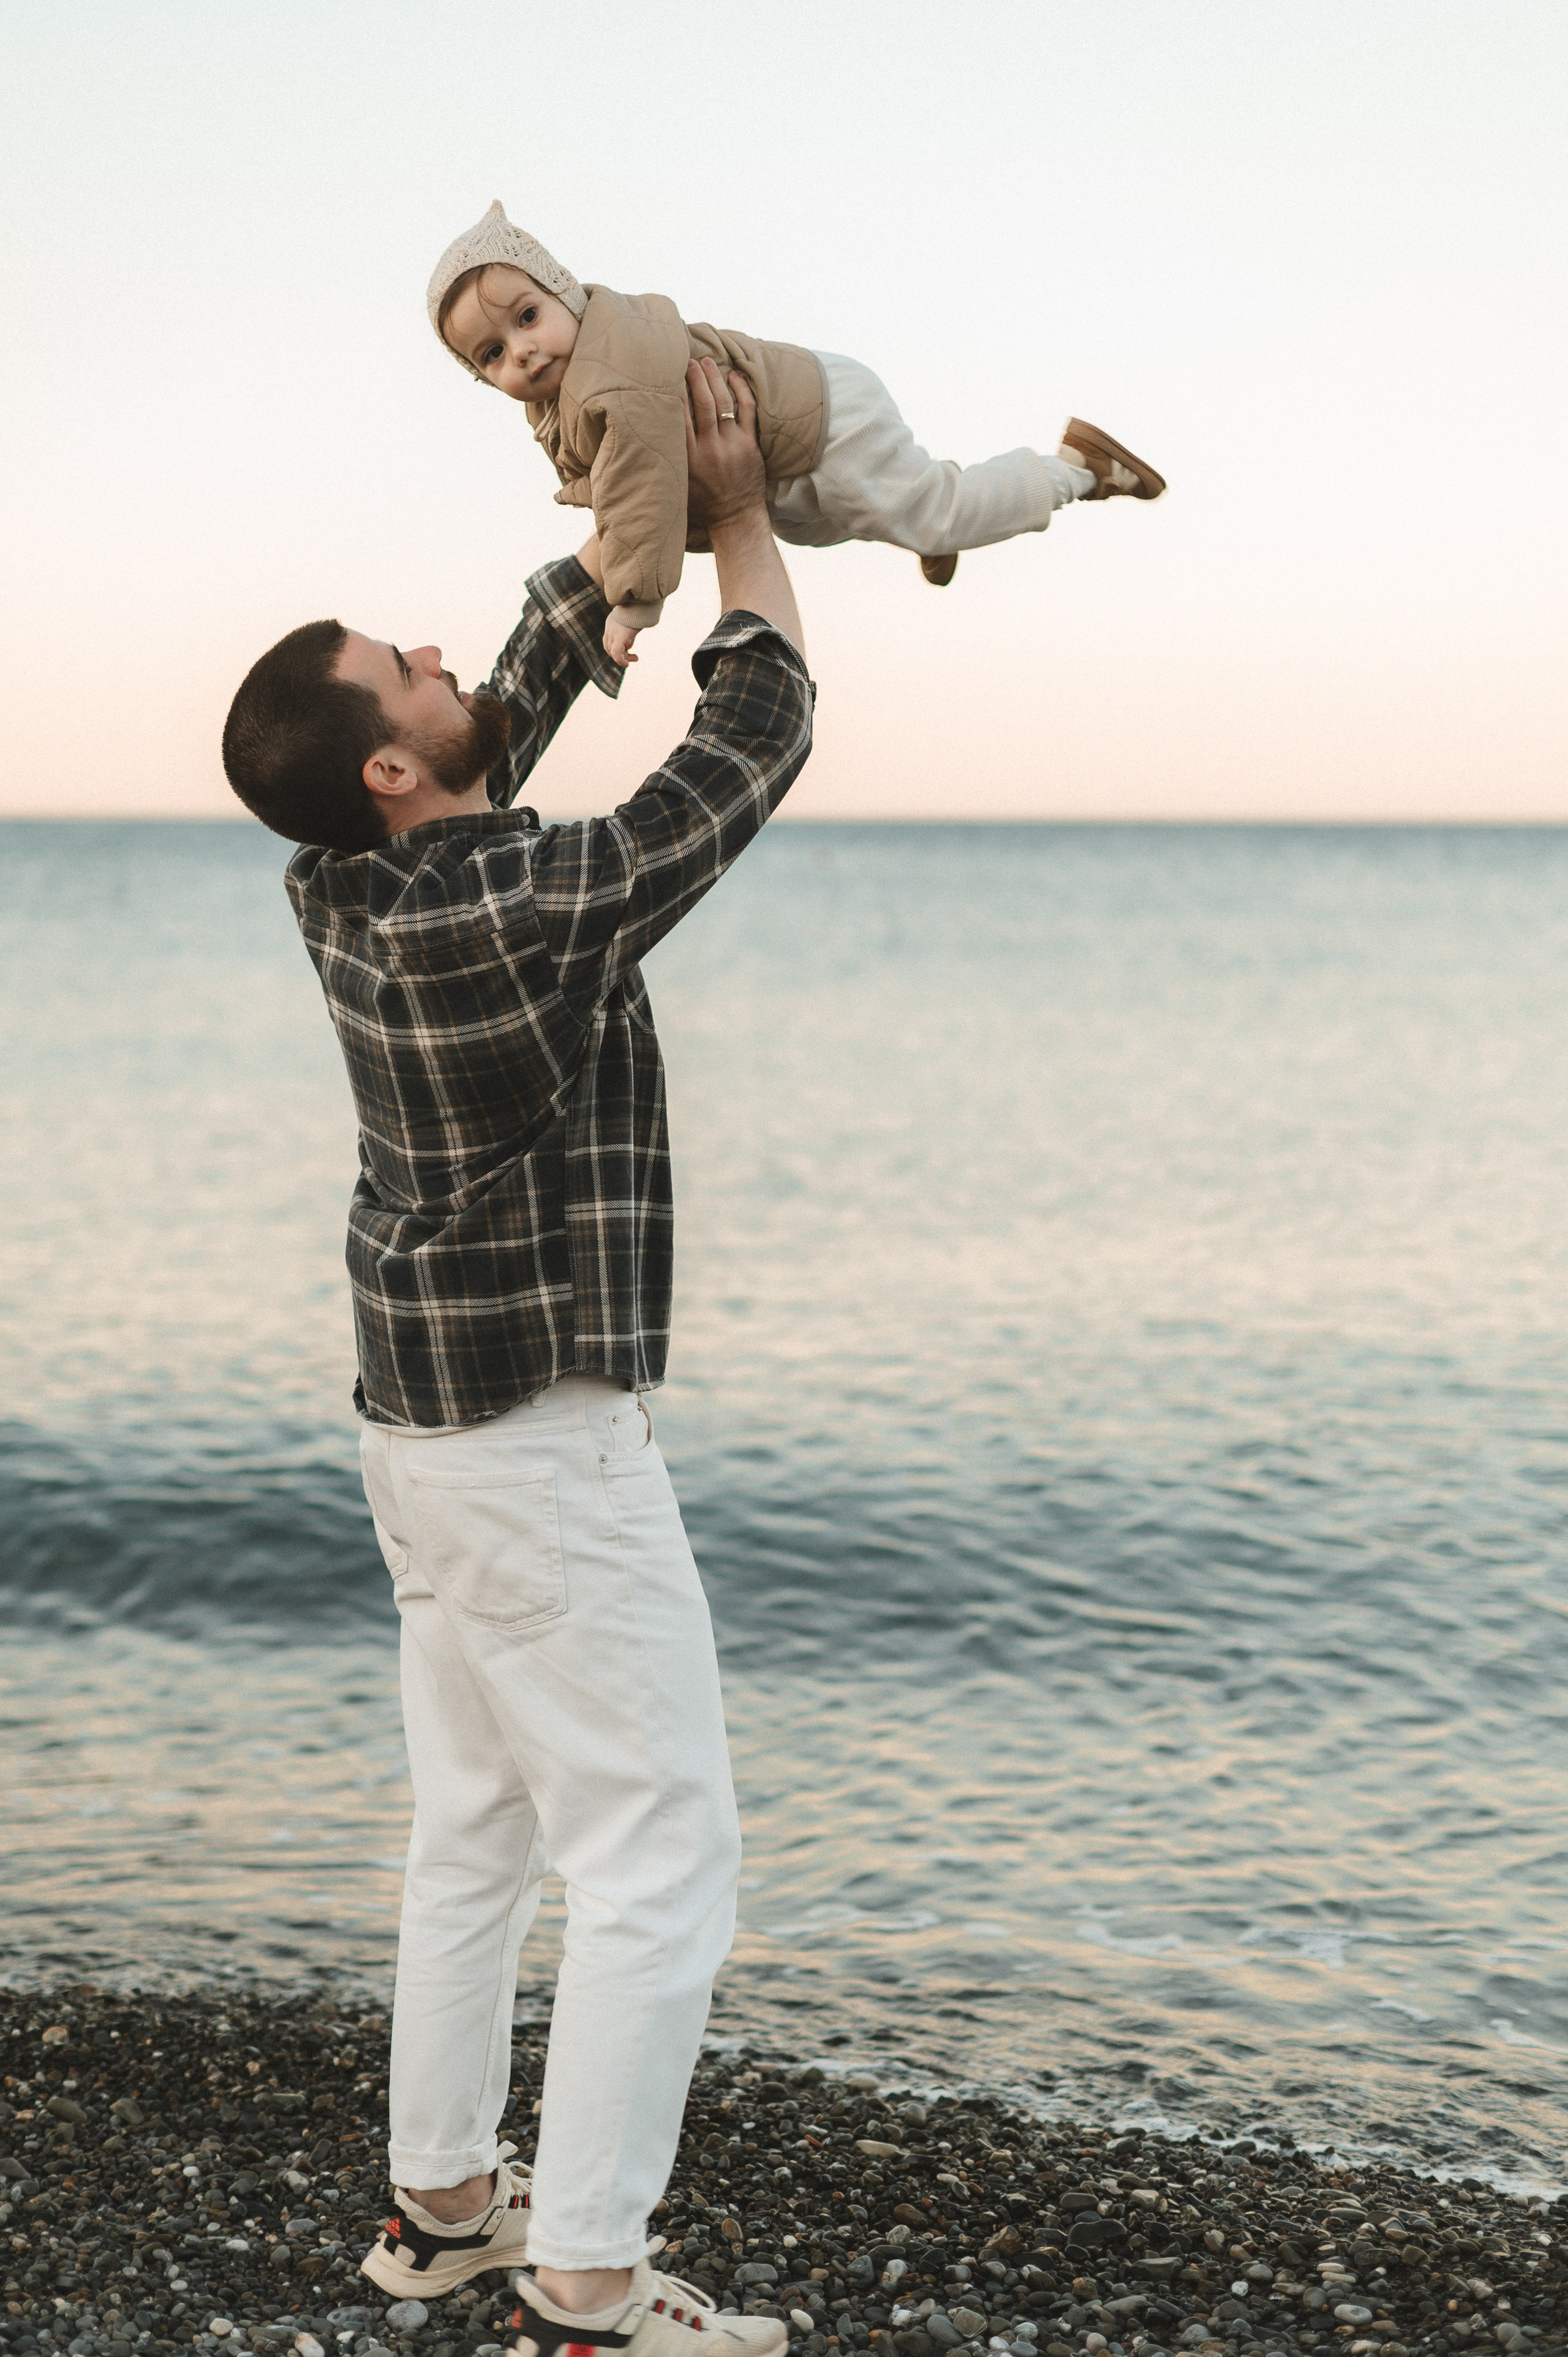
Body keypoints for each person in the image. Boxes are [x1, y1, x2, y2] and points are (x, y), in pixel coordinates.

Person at [220, 360, 811, 2357]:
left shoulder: (350, 874)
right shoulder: (510, 909)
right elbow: (741, 753)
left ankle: (445, 2206)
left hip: (418, 1434)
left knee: (478, 1820)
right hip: (537, 1446)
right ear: (392, 762)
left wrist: (614, 511)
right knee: (661, 1858)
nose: (442, 650)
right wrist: (737, 522)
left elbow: (522, 692)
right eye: (408, 662)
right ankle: (581, 2278)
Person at [426, 198, 1167, 669]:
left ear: (564, 291)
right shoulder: (568, 386)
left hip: (824, 420)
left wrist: (636, 601)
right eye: (491, 353)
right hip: (796, 447)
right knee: (820, 526)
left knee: (939, 507)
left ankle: (1078, 465)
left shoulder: (611, 372)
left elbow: (639, 489)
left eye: (526, 316)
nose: (519, 350)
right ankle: (922, 527)